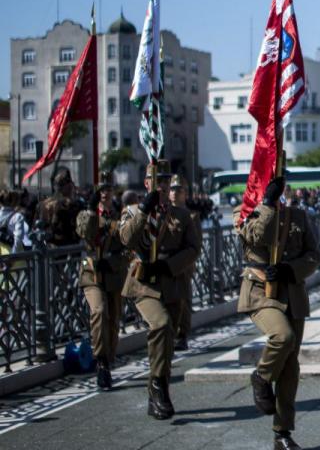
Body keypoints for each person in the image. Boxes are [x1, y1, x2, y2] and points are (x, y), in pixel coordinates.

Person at [238, 175, 320, 450]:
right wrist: (267, 204)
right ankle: (261, 377)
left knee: (290, 367)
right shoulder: (247, 209)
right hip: (261, 290)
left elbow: (314, 255)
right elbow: (254, 236)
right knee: (282, 337)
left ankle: (282, 433)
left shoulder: (297, 214)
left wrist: (291, 269)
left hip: (292, 293)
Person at [120, 161, 200, 420]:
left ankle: (157, 390)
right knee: (161, 325)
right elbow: (127, 239)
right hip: (144, 283)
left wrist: (169, 265)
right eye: (158, 184)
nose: (163, 189)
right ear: (147, 184)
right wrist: (145, 209)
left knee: (167, 342)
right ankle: (158, 385)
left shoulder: (181, 215)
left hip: (171, 281)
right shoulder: (133, 211)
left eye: (166, 184)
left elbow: (193, 249)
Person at [76, 173, 127, 391]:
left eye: (109, 189)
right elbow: (84, 232)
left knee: (114, 321)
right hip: (92, 274)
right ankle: (101, 363)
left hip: (113, 275)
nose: (105, 193)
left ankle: (109, 357)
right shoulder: (87, 214)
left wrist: (114, 262)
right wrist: (89, 209)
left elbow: (129, 247)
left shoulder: (121, 216)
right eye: (101, 190)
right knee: (98, 311)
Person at [169, 175, 201, 351]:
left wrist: (187, 262)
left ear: (185, 194)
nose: (174, 193)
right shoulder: (164, 212)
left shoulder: (191, 215)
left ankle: (182, 335)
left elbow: (197, 243)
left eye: (178, 190)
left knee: (184, 301)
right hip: (167, 265)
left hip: (185, 264)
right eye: (172, 190)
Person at [39, 169, 82, 245]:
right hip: (68, 246)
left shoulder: (44, 204)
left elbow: (39, 227)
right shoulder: (70, 204)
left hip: (50, 247)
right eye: (70, 185)